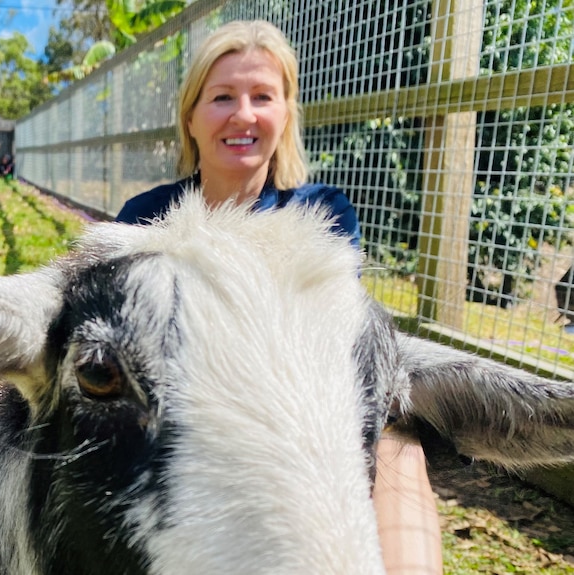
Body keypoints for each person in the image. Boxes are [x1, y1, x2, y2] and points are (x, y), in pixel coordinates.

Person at [115, 20, 443, 574]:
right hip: (182, 410)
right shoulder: (143, 218)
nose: (243, 115)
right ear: (191, 118)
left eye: (262, 96)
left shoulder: (322, 213)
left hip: (300, 405)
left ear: (285, 114)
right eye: (222, 97)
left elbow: (330, 341)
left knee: (401, 441)